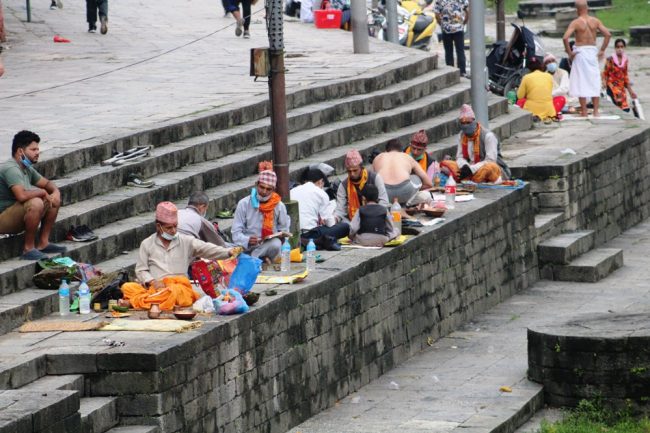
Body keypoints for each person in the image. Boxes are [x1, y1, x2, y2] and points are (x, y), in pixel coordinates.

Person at [121, 202, 238, 310]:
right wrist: (152, 282)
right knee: (127, 287)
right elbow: (141, 270)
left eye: (175, 226)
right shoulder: (147, 244)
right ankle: (148, 300)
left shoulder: (186, 241)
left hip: (179, 290)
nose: (173, 230)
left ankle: (135, 302)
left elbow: (207, 248)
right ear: (158, 226)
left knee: (173, 292)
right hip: (155, 288)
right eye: (169, 228)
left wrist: (228, 252)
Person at [0, 131, 66, 260]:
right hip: (3, 218)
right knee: (36, 202)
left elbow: (47, 183)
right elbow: (21, 196)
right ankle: (28, 248)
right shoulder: (11, 169)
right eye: (33, 149)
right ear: (20, 151)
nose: (37, 152)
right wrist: (42, 192)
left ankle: (43, 243)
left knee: (53, 200)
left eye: (37, 149)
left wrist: (56, 192)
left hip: (16, 214)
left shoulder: (26, 168)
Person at [562, 0, 611, 117]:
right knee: (594, 80)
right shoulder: (595, 21)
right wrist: (602, 50)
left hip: (581, 52)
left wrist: (570, 53)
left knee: (581, 81)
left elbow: (565, 38)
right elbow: (608, 34)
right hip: (592, 52)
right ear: (587, 7)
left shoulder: (575, 22)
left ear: (577, 10)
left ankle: (584, 111)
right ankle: (595, 111)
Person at [231, 170, 290, 263]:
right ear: (256, 184)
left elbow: (285, 230)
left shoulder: (279, 206)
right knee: (223, 247)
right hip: (246, 246)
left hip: (267, 246)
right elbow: (235, 233)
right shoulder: (243, 203)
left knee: (276, 244)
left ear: (273, 189)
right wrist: (247, 240)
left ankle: (253, 258)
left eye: (268, 189)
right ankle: (260, 259)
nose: (264, 191)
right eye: (262, 187)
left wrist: (281, 237)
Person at [446, 104, 510, 184]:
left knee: (489, 167)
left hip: (492, 170)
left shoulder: (488, 136)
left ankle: (470, 179)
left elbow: (491, 160)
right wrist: (464, 166)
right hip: (469, 168)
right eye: (463, 123)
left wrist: (471, 169)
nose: (465, 125)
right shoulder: (461, 135)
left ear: (474, 122)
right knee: (446, 164)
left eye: (468, 122)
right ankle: (469, 179)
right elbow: (459, 157)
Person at [290, 168, 349, 251]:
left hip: (293, 235)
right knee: (345, 227)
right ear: (320, 182)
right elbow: (330, 223)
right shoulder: (320, 193)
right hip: (310, 233)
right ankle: (316, 242)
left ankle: (310, 242)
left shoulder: (292, 191)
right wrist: (335, 218)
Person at [372, 139, 433, 205]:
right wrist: (414, 192)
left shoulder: (378, 158)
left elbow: (371, 181)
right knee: (415, 177)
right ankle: (408, 202)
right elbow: (428, 183)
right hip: (405, 191)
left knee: (376, 181)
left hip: (384, 193)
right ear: (401, 151)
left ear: (385, 151)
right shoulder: (407, 156)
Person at [335, 150, 389, 222]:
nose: (352, 174)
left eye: (355, 170)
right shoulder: (343, 186)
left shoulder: (375, 178)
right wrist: (335, 219)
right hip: (353, 221)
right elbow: (340, 210)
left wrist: (372, 215)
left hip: (375, 216)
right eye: (349, 171)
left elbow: (384, 202)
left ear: (361, 168)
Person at [516, 56, 560, 122]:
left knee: (520, 102)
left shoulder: (526, 77)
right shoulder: (549, 76)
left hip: (531, 110)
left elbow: (520, 96)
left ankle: (535, 116)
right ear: (541, 66)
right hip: (549, 111)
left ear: (529, 68)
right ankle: (547, 116)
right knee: (560, 99)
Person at [434, 0, 469, 77]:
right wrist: (463, 23)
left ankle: (450, 72)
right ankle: (462, 72)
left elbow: (436, 14)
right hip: (459, 28)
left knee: (448, 51)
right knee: (460, 51)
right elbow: (467, 12)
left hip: (446, 29)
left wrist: (442, 25)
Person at [602, 38, 637, 114]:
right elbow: (604, 73)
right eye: (618, 47)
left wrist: (631, 91)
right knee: (616, 108)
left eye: (621, 47)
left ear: (624, 48)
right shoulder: (610, 59)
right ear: (615, 48)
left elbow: (625, 76)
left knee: (625, 109)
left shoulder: (625, 60)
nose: (620, 49)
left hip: (621, 88)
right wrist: (604, 82)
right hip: (611, 87)